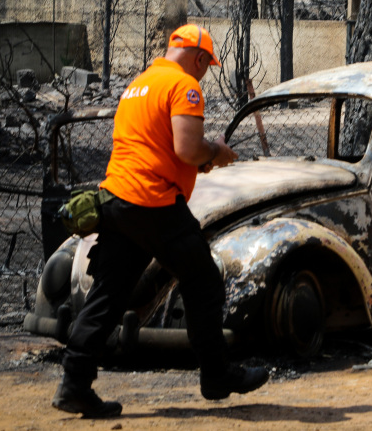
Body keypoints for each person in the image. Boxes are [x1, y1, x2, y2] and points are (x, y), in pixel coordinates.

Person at [52, 24, 269, 419]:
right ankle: (216, 375)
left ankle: (74, 383)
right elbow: (187, 149)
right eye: (206, 65)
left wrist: (197, 160)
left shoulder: (139, 85)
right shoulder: (184, 86)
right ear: (200, 59)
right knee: (203, 280)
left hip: (116, 200)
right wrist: (216, 152)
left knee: (109, 292)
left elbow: (152, 147)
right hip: (154, 202)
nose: (204, 73)